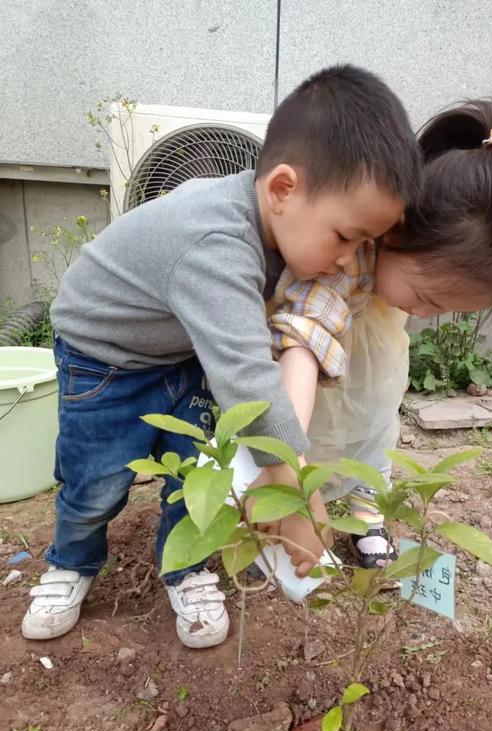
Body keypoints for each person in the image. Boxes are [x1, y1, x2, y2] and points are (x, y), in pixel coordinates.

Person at [20, 65, 420, 648]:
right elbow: (252, 388)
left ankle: (186, 568)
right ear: (282, 189)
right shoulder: (216, 245)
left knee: (198, 478)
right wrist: (301, 499)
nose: (347, 259)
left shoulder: (277, 224)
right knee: (96, 482)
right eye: (345, 237)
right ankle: (71, 562)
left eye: (364, 244)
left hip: (183, 354)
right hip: (103, 359)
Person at [268, 99, 492, 573]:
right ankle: (275, 520)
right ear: (395, 234)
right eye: (427, 298)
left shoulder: (403, 273)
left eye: (443, 309)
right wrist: (287, 474)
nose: (422, 311)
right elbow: (303, 339)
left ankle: (369, 518)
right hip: (316, 389)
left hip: (376, 368)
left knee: (377, 434)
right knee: (324, 437)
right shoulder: (343, 261)